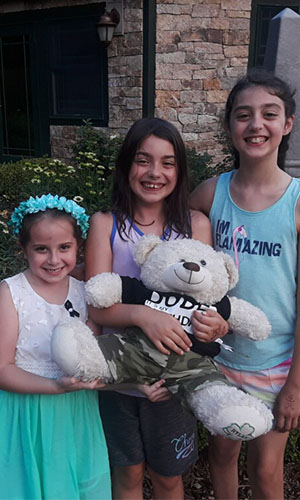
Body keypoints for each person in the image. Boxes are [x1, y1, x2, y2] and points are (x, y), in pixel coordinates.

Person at [85, 117, 228, 500]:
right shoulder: (105, 224)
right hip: (120, 382)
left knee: (168, 478)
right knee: (127, 474)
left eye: (167, 163)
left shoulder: (195, 225)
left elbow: (208, 301)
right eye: (143, 160)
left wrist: (215, 326)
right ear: (126, 164)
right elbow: (97, 307)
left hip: (174, 383)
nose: (154, 172)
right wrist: (143, 315)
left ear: (180, 171)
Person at [190, 70, 300, 500]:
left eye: (269, 114)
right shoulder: (210, 195)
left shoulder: (296, 203)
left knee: (268, 470)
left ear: (287, 123)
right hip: (218, 359)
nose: (256, 125)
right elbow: (170, 246)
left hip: (276, 366)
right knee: (220, 455)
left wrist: (295, 386)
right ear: (230, 127)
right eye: (243, 115)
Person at [0, 194, 111, 500]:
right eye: (41, 249)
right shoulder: (11, 293)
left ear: (79, 246)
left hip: (77, 412)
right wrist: (54, 387)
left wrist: (139, 386)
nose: (53, 259)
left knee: (76, 483)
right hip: (28, 412)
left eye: (64, 248)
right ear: (24, 249)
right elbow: (2, 368)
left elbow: (99, 356)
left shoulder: (86, 294)